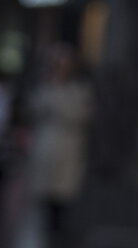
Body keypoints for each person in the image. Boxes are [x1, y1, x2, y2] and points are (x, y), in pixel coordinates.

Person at [27, 44, 92, 232]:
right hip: (47, 144)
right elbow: (35, 108)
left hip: (68, 146)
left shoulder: (79, 90)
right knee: (46, 191)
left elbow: (81, 114)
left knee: (62, 192)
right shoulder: (46, 87)